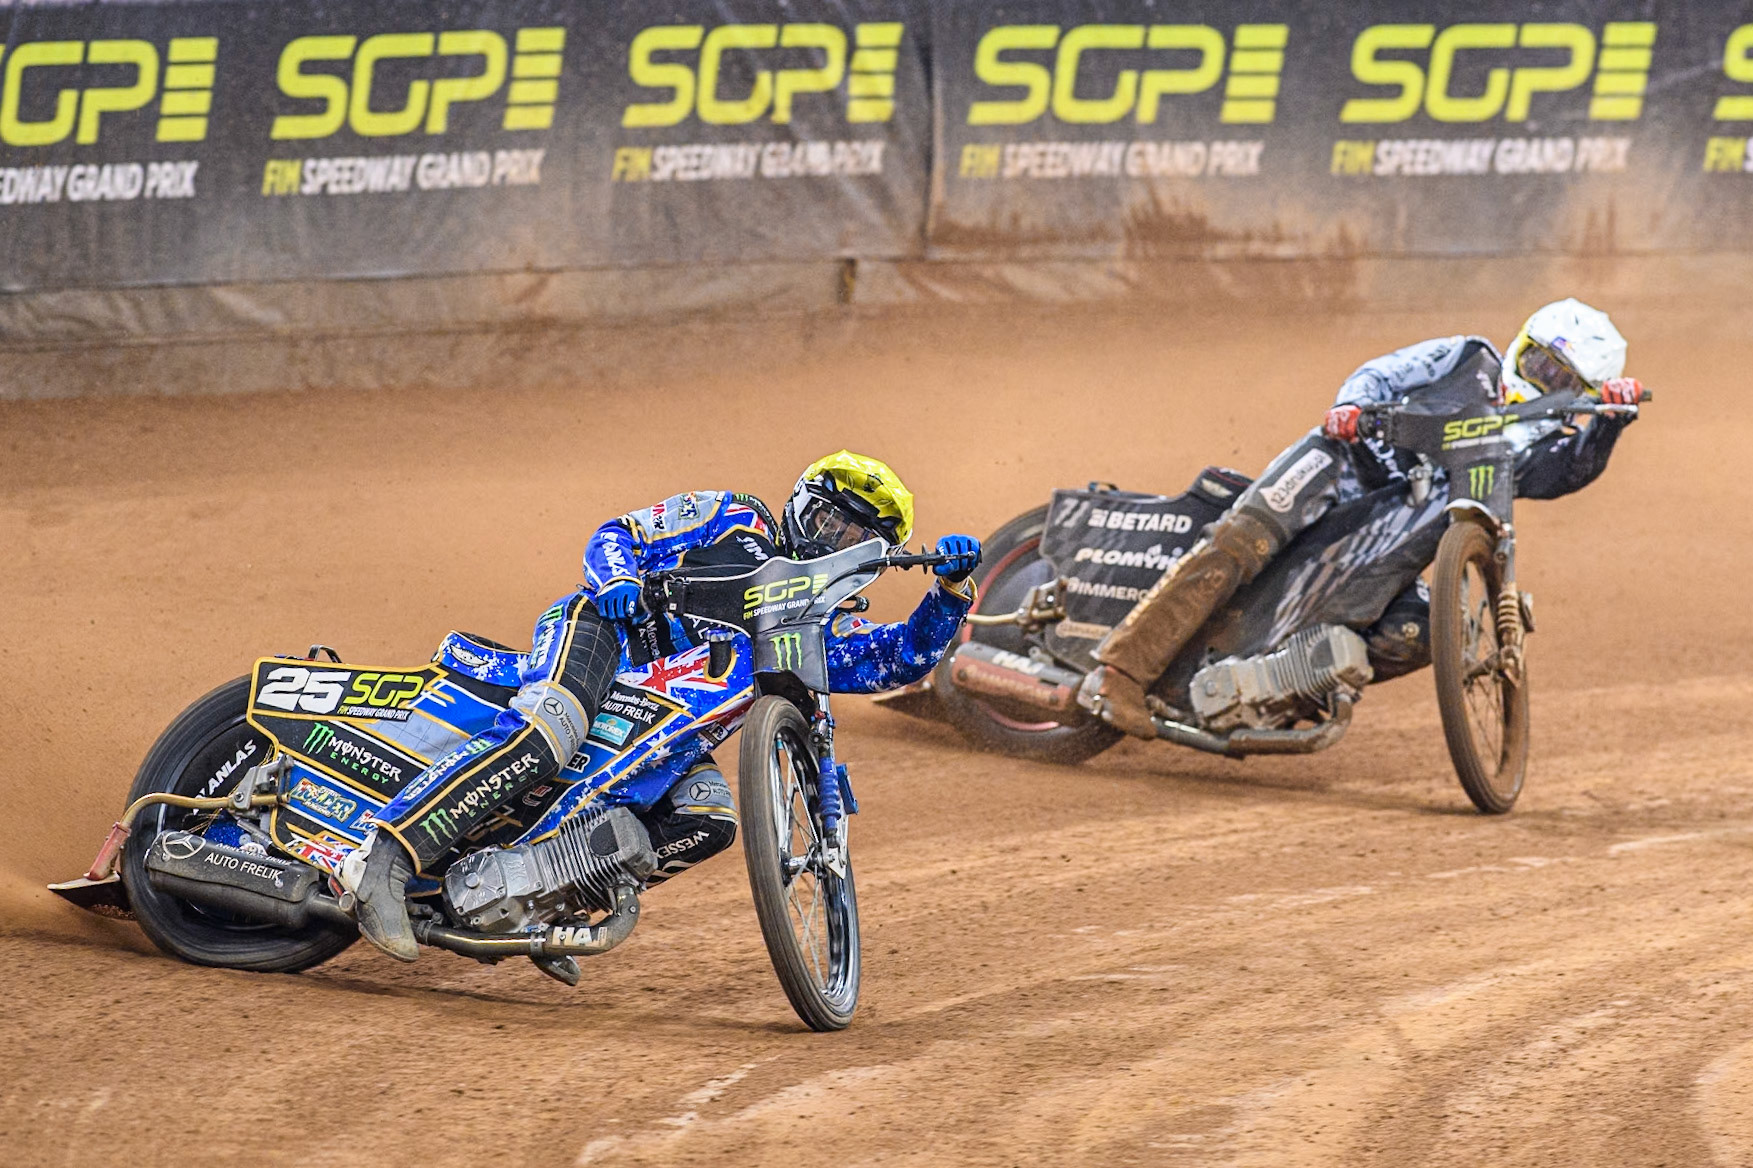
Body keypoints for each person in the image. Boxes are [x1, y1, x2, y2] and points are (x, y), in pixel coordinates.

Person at [344, 451, 981, 960]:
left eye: (856, 540)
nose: (834, 542)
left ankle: (539, 902)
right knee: (549, 732)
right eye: (829, 522)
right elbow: (619, 533)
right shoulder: (735, 515)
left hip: (664, 726)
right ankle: (385, 861)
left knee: (710, 819)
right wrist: (618, 580)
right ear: (799, 506)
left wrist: (952, 590)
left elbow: (901, 659)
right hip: (602, 637)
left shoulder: (815, 631)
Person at [1079, 297, 1647, 738]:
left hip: (1390, 538)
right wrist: (1352, 405)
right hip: (1341, 465)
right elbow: (1384, 373)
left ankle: (1276, 692)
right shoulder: (1468, 356)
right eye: (1538, 362)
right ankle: (1119, 674)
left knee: (1420, 633)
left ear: (1584, 392)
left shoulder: (1540, 444)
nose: (1543, 380)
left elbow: (1569, 472)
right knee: (1246, 538)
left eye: (1562, 380)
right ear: (1520, 344)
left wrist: (1611, 421)